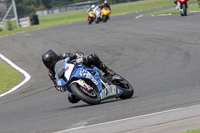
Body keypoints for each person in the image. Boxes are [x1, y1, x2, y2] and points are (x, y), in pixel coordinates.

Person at [42, 50, 115, 103]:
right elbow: (56, 84)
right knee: (71, 99)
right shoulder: (51, 73)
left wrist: (78, 57)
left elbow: (75, 54)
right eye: (46, 63)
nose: (48, 64)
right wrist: (60, 87)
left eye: (49, 62)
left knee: (91, 57)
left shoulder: (62, 56)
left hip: (78, 68)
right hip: (69, 81)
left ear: (54, 57)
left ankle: (107, 71)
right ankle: (85, 92)